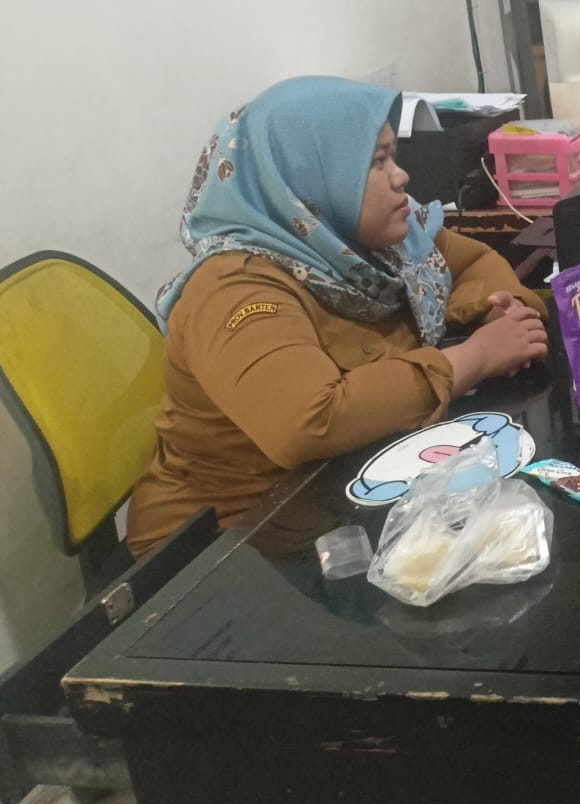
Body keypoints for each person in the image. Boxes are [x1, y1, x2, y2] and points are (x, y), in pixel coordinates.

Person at [126, 77, 550, 557]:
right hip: (233, 542)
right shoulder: (236, 286)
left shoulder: (374, 238)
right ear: (307, 177)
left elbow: (474, 262)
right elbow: (307, 422)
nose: (401, 177)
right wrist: (475, 358)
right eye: (376, 162)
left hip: (349, 489)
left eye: (392, 156)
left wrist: (499, 315)